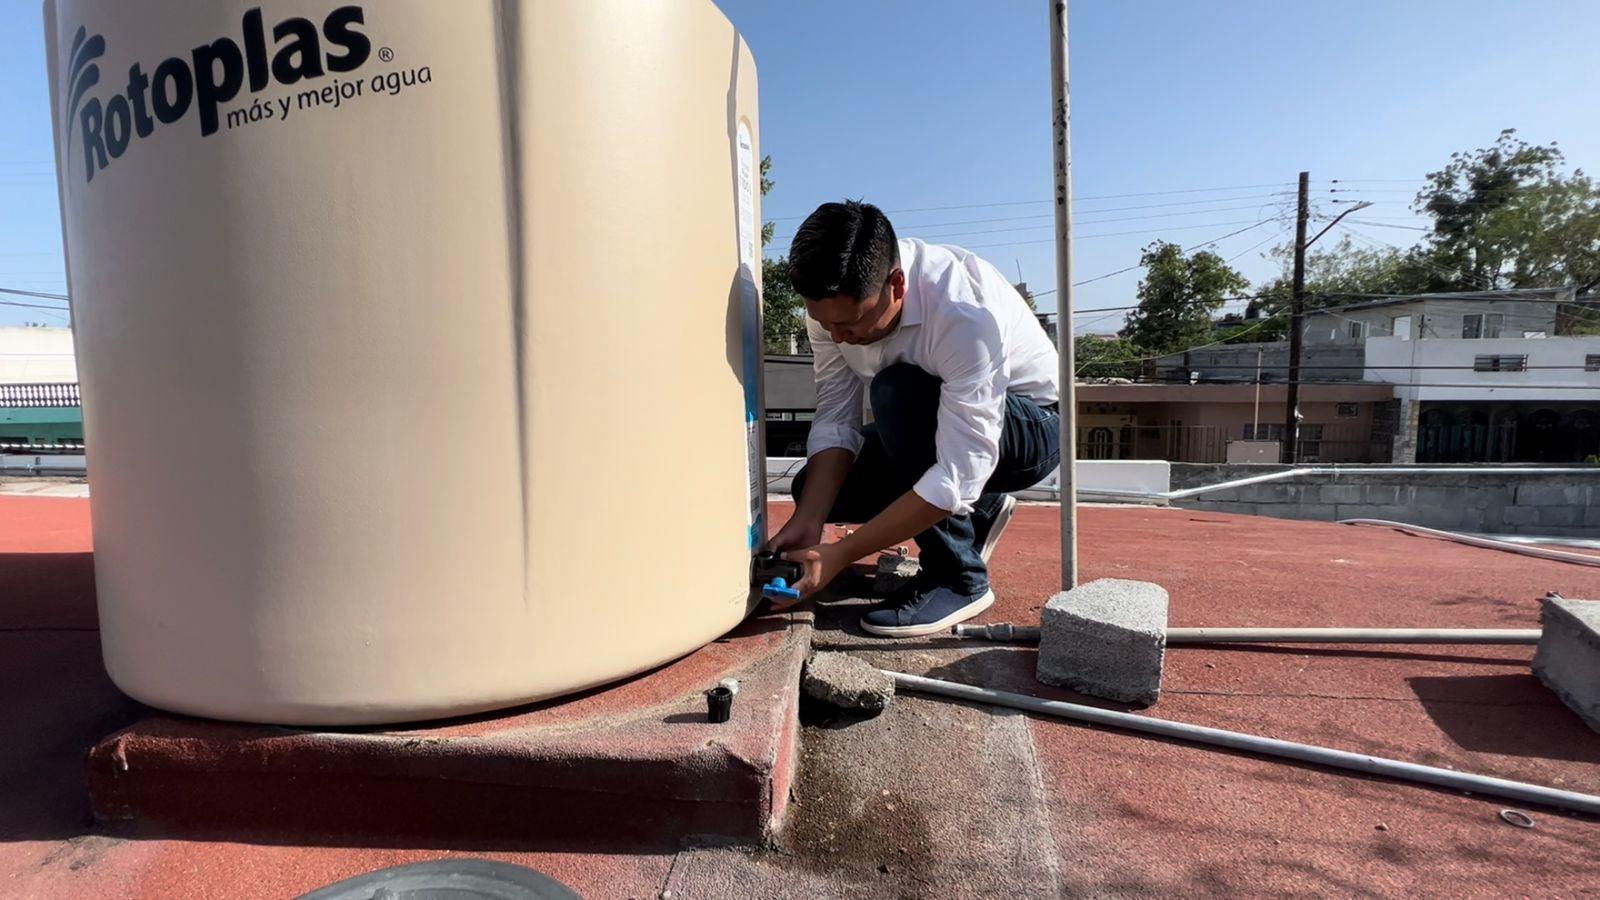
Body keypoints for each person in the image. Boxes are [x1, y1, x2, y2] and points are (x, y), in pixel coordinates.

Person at [766, 200, 1061, 637]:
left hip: (1030, 429)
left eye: (850, 323)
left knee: (898, 391)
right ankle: (980, 511)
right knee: (814, 488)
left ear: (897, 284)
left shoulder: (963, 312)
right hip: (945, 427)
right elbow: (836, 419)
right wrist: (809, 522)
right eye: (823, 323)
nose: (839, 337)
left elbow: (958, 473)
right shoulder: (834, 311)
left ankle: (959, 578)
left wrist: (841, 555)